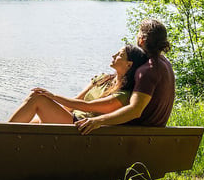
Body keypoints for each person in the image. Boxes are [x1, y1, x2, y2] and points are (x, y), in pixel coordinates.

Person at [75, 19, 175, 135]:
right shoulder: (164, 63)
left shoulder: (147, 70)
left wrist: (98, 121)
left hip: (136, 134)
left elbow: (135, 110)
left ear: (141, 39)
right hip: (153, 133)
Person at [8, 43, 149, 124]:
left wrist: (52, 97)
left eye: (119, 55)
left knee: (38, 99)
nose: (113, 55)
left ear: (129, 65)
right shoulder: (103, 78)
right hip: (69, 117)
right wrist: (51, 113)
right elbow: (77, 100)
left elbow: (86, 107)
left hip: (79, 126)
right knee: (32, 119)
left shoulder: (123, 95)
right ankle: (0, 136)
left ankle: (0, 136)